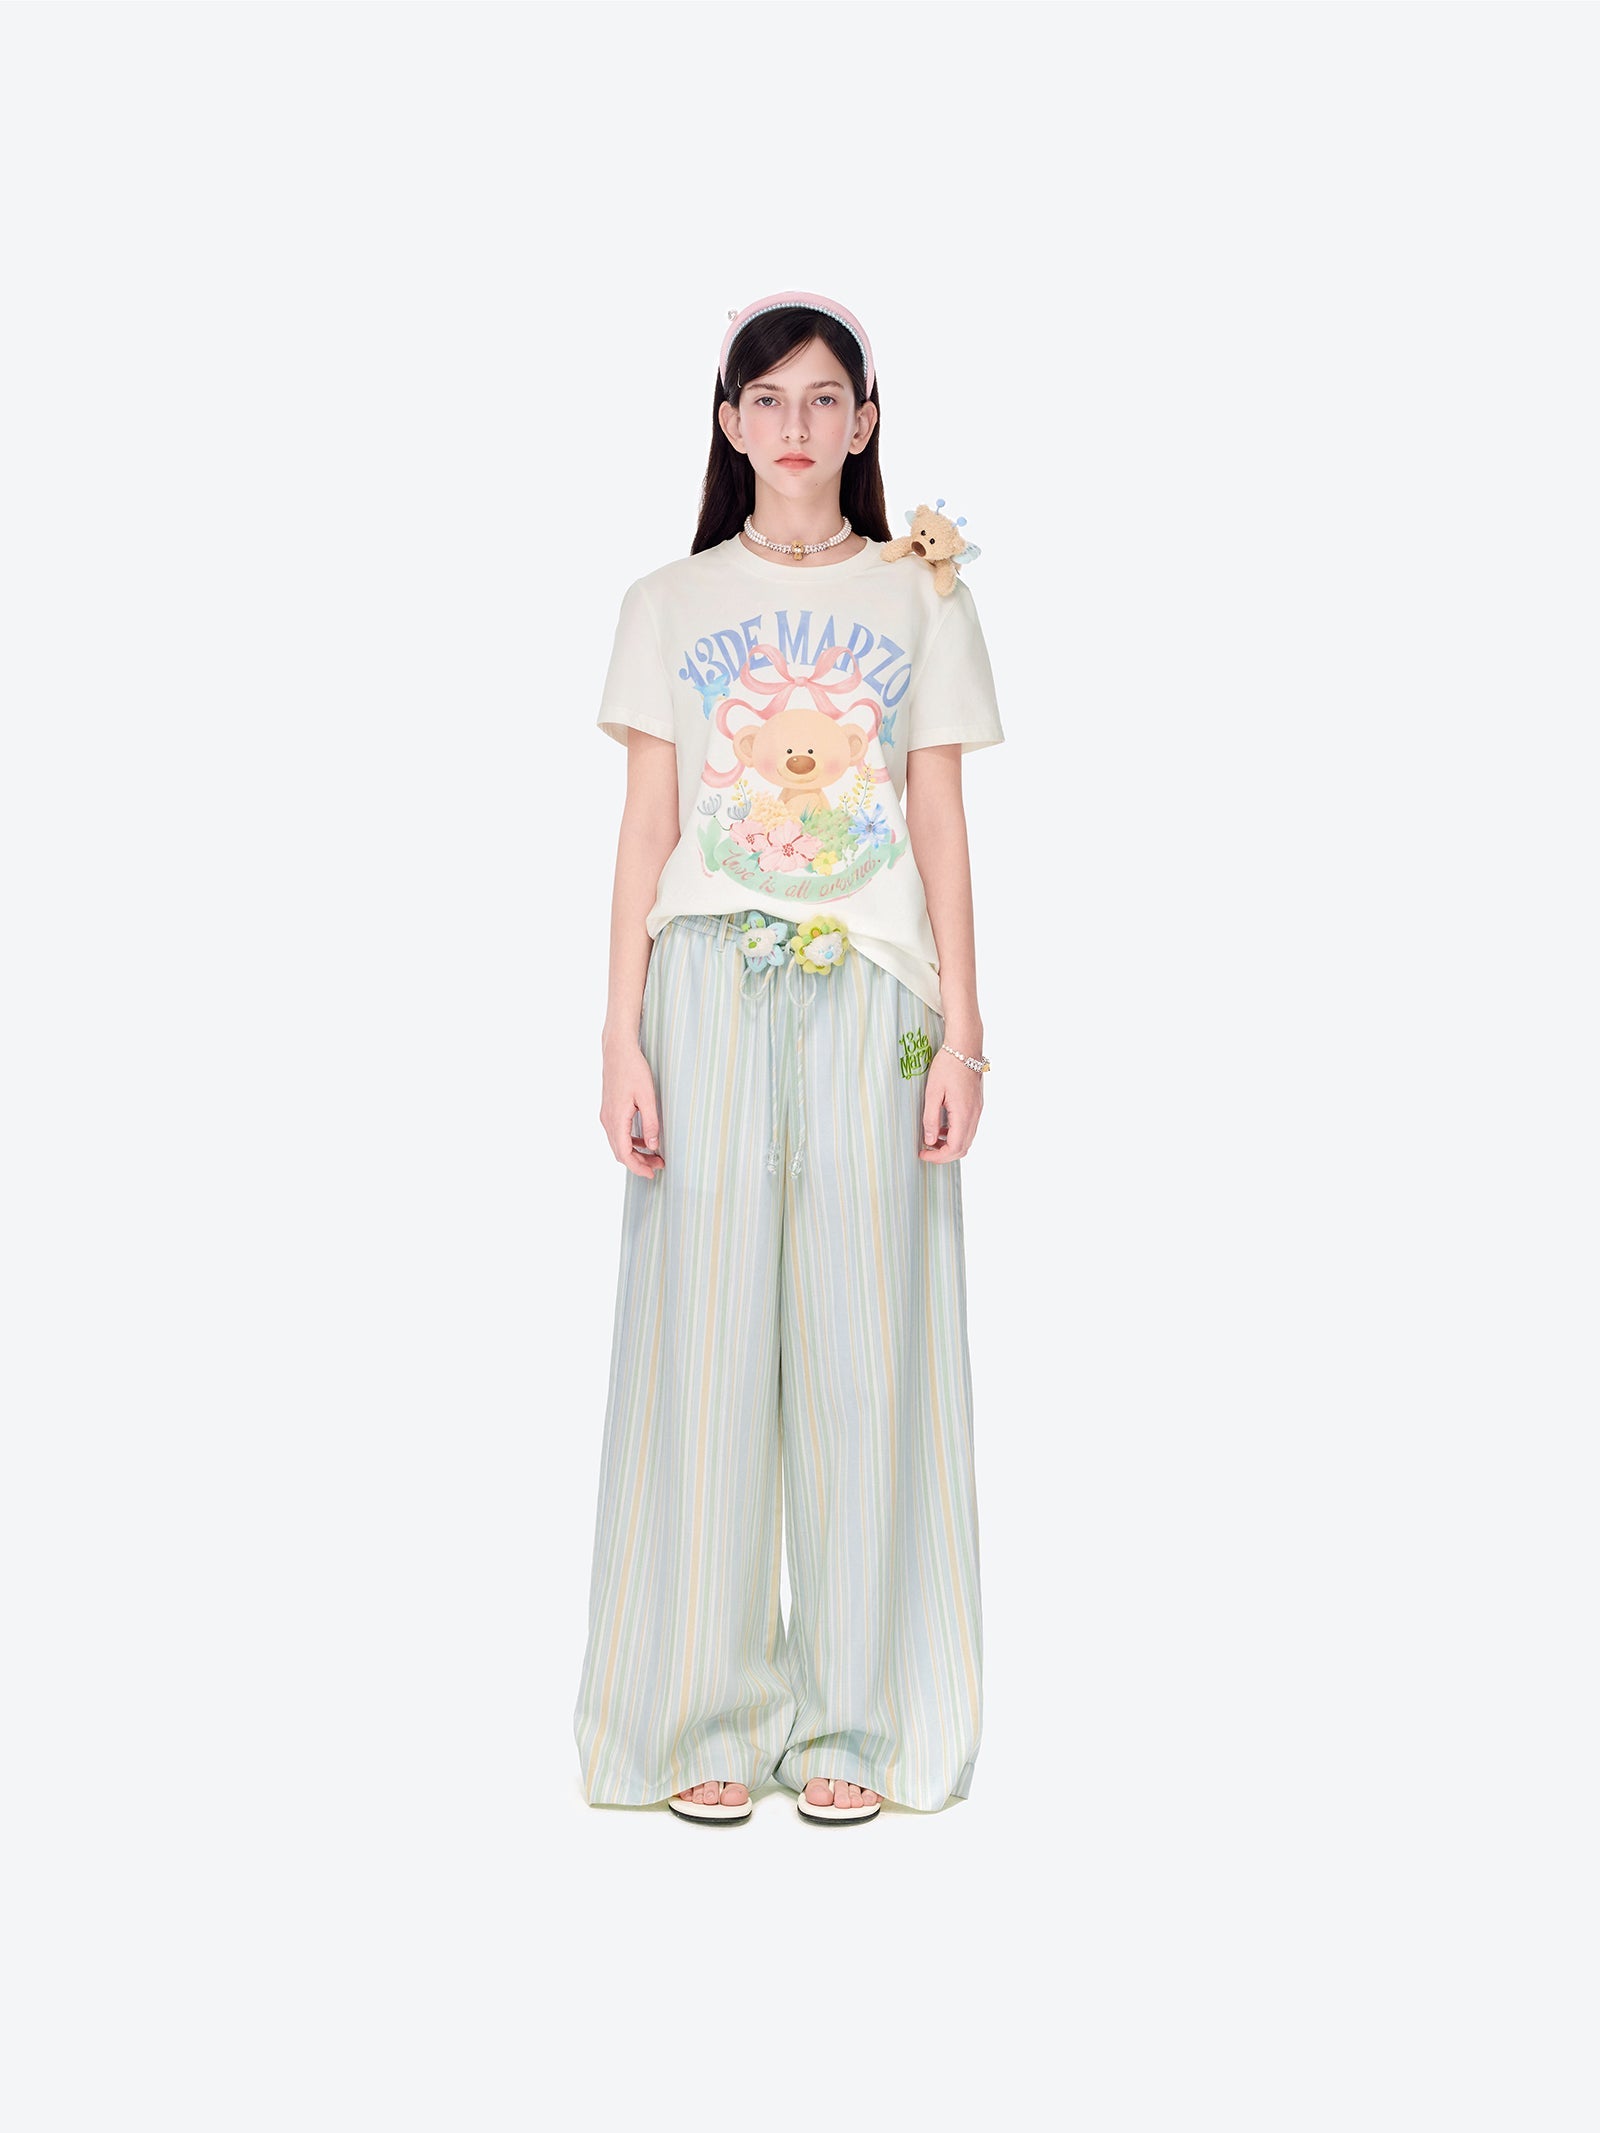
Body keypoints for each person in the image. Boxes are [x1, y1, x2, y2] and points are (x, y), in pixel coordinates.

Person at [572, 291, 1004, 1826]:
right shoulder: (668, 601)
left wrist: (967, 1033)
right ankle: (703, 1711)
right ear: (729, 421)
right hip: (705, 980)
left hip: (874, 994)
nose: (798, 425)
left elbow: (940, 821)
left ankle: (854, 1721)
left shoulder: (920, 597)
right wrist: (619, 1031)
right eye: (768, 398)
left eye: (826, 398)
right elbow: (648, 825)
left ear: (865, 420)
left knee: (862, 1351)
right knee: (702, 1341)